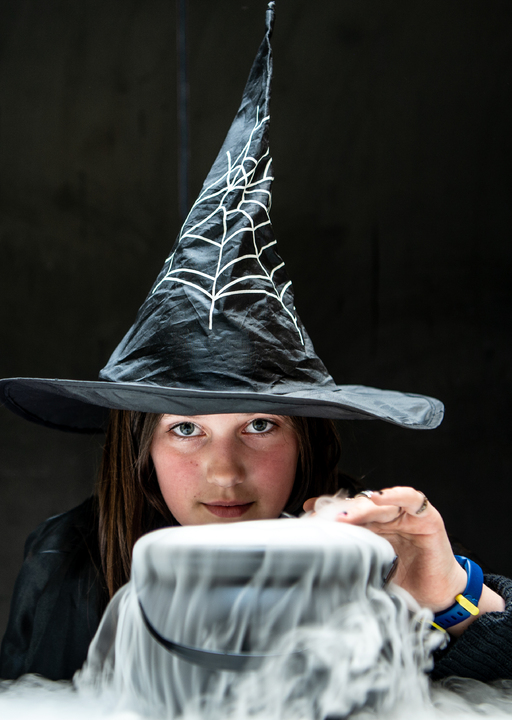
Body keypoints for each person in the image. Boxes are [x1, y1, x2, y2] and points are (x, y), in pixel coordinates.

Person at [1, 1, 512, 685]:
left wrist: (453, 593)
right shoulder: (67, 556)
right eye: (185, 428)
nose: (223, 473)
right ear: (140, 447)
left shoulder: (369, 544)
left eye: (261, 425)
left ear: (307, 440)